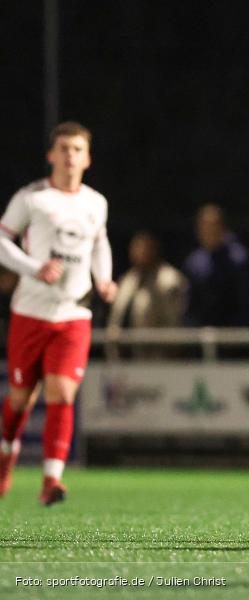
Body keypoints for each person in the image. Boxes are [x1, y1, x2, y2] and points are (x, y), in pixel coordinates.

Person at [0, 122, 117, 505]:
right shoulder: (32, 198)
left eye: (77, 149)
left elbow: (99, 244)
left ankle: (51, 481)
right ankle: (6, 454)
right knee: (20, 399)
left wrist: (104, 280)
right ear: (51, 155)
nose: (70, 156)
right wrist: (34, 267)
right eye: (63, 148)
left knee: (62, 392)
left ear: (88, 158)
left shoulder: (95, 203)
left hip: (73, 314)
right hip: (31, 313)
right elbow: (2, 240)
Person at [182, 204, 249, 326]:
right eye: (205, 226)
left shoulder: (238, 258)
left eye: (214, 226)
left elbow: (245, 301)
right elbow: (190, 304)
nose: (210, 231)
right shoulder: (194, 262)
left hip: (233, 331)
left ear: (223, 227)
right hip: (202, 331)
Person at [108, 231, 188, 330]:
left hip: (157, 342)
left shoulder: (170, 280)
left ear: (155, 250)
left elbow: (174, 320)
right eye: (136, 248)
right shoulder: (127, 279)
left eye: (145, 248)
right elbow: (116, 317)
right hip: (124, 342)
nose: (140, 253)